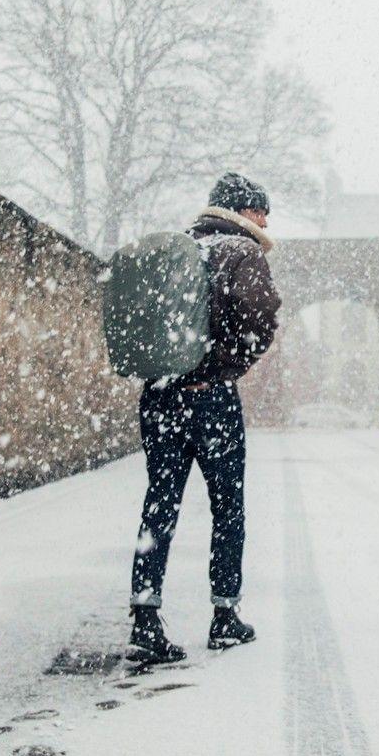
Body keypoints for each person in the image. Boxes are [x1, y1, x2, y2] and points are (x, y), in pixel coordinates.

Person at [128, 173, 282, 664]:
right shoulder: (241, 252)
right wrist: (223, 366)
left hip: (158, 396)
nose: (266, 221)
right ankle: (224, 615)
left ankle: (146, 616)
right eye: (263, 211)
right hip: (210, 399)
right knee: (227, 507)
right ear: (245, 212)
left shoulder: (180, 250)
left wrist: (172, 372)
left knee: (160, 504)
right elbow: (259, 318)